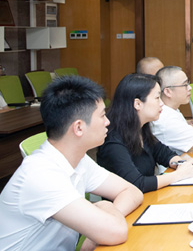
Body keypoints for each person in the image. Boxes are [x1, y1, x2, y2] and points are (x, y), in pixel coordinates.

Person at [0, 76, 143, 251]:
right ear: (79, 127)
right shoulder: (41, 175)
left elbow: (132, 191)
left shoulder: (78, 159)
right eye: (102, 115)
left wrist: (106, 219)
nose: (108, 122)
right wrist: (104, 208)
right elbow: (116, 232)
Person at [97, 73, 193, 193]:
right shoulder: (113, 141)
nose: (162, 103)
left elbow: (164, 153)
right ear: (138, 104)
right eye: (157, 98)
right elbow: (137, 184)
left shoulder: (141, 128)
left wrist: (180, 164)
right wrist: (179, 175)